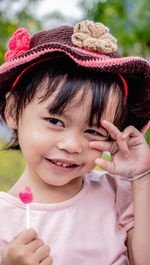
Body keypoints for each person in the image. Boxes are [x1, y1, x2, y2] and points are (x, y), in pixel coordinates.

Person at [0, 19, 150, 265]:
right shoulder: (4, 220)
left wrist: (140, 177)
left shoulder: (117, 194)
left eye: (93, 131)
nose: (71, 145)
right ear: (13, 111)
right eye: (55, 121)